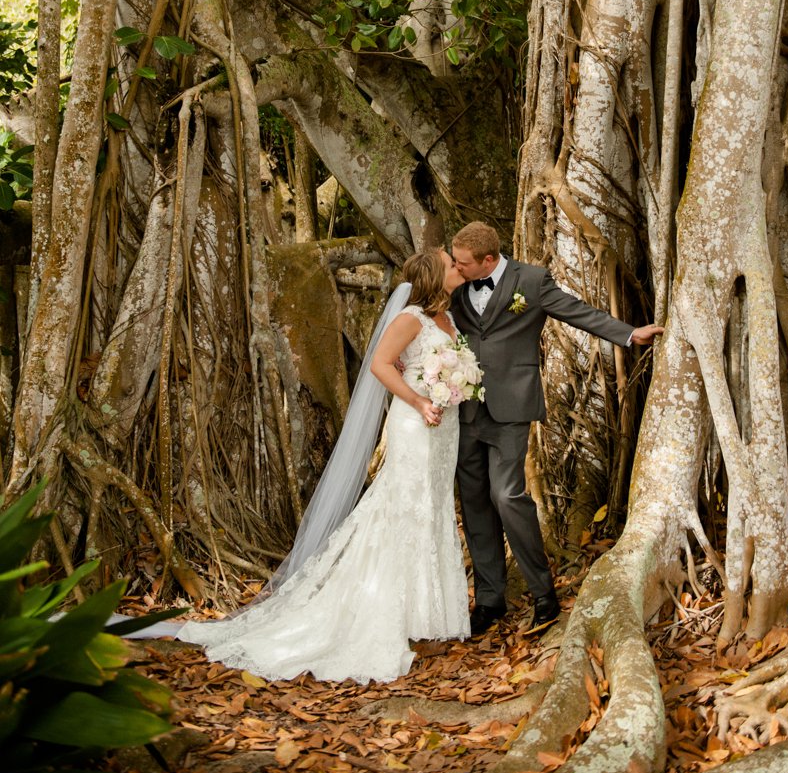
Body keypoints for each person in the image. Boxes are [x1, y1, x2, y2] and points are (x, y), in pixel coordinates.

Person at [172, 248, 472, 684]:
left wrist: (453, 386)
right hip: (416, 423)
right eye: (451, 264)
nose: (458, 269)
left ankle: (426, 616)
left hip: (444, 428)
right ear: (432, 276)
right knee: (405, 508)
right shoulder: (410, 318)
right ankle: (384, 613)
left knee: (434, 508)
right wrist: (420, 399)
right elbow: (380, 365)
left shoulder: (448, 317)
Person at [449, 222, 663, 637]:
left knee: (507, 495)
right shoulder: (457, 285)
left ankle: (543, 592)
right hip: (463, 408)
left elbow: (575, 310)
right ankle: (490, 599)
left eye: (463, 262)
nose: (456, 268)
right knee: (474, 504)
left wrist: (628, 333)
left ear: (488, 260)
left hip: (511, 406)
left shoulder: (529, 280)